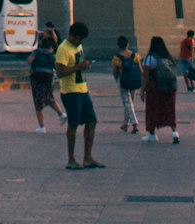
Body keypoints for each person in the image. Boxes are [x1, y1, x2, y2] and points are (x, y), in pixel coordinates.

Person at [55, 21, 102, 169]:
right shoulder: (63, 49)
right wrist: (77, 67)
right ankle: (71, 159)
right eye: (79, 38)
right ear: (73, 36)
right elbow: (60, 73)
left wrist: (84, 66)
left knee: (92, 121)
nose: (80, 42)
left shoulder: (78, 46)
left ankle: (87, 157)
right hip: (70, 92)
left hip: (82, 89)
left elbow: (78, 64)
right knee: (73, 124)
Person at [141, 35, 180, 143]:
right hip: (169, 89)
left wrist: (142, 90)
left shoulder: (150, 58)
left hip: (155, 89)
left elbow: (145, 76)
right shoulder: (169, 58)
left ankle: (152, 134)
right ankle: (174, 133)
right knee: (170, 111)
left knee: (152, 110)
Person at [30, 30, 67, 131]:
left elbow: (29, 61)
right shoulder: (53, 54)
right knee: (49, 98)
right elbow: (57, 66)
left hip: (37, 79)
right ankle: (61, 114)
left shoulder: (37, 52)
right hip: (48, 78)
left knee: (38, 102)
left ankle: (42, 127)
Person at [111, 36, 141, 134]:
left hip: (124, 81)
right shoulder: (135, 55)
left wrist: (116, 79)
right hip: (134, 80)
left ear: (118, 45)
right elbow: (140, 69)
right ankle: (125, 124)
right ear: (128, 44)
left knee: (128, 103)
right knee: (130, 103)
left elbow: (115, 72)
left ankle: (135, 124)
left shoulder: (117, 58)